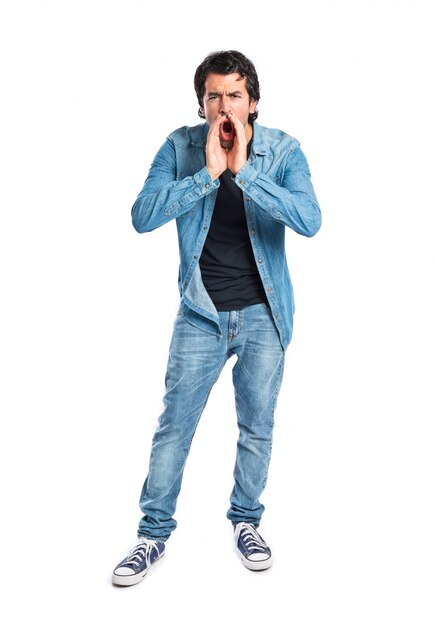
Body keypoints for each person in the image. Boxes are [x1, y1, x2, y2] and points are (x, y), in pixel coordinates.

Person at [112, 50, 321, 586]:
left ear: (253, 102)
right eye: (213, 96)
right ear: (201, 103)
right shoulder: (179, 148)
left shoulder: (282, 151)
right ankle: (151, 535)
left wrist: (245, 173)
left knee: (257, 429)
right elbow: (142, 217)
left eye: (234, 95)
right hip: (200, 314)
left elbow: (310, 220)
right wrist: (207, 174)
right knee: (174, 428)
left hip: (264, 315)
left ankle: (246, 522)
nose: (224, 106)